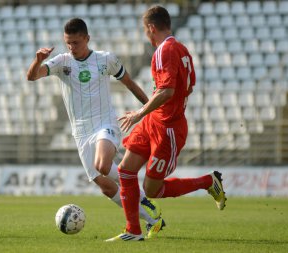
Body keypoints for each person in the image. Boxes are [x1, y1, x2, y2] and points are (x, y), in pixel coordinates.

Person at [26, 18, 165, 237]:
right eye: (68, 43)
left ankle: (141, 196)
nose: (71, 47)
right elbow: (32, 77)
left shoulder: (105, 59)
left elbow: (130, 84)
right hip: (80, 133)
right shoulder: (62, 62)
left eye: (76, 42)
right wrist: (38, 60)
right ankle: (152, 220)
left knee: (102, 165)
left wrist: (148, 109)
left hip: (104, 124)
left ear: (87, 39)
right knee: (106, 187)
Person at [106, 6, 227, 242]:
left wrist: (140, 112)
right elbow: (187, 86)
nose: (146, 36)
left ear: (151, 28)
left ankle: (207, 182)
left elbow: (168, 90)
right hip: (155, 120)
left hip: (168, 128)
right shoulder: (182, 50)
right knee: (125, 171)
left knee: (152, 190)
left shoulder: (165, 50)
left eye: (145, 31)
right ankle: (133, 231)